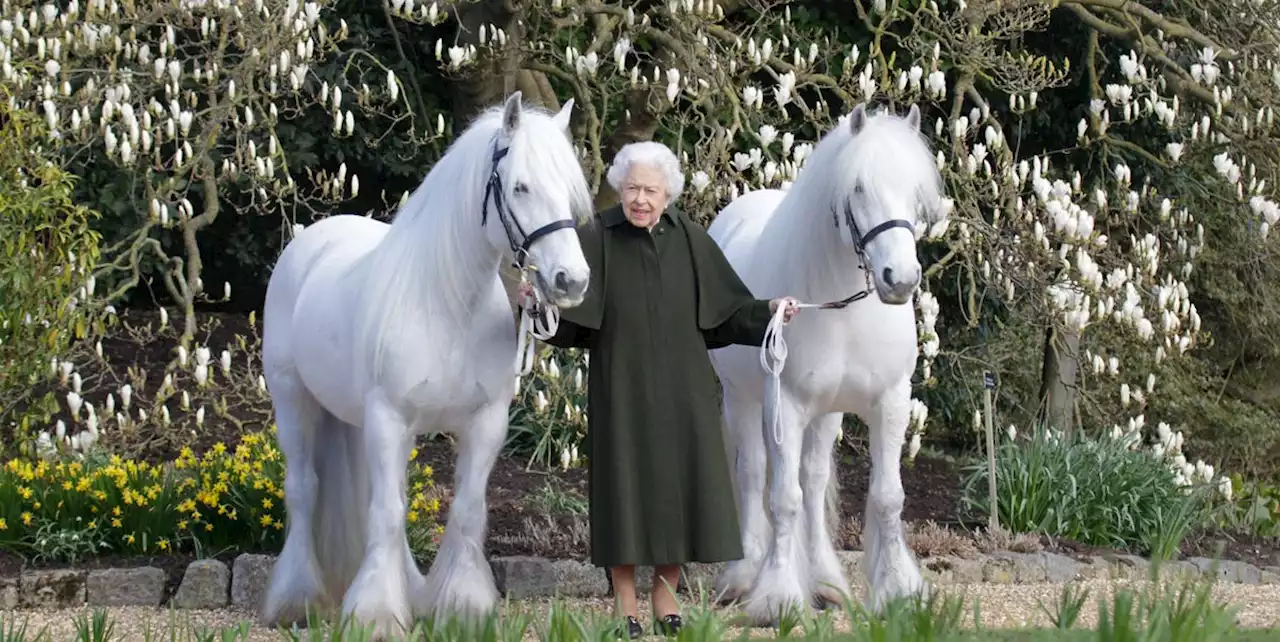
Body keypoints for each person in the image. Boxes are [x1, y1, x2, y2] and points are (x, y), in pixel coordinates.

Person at [518, 141, 799, 639]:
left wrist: (772, 309)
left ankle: (665, 591)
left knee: (680, 490)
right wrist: (537, 307)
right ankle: (625, 597)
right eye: (631, 189)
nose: (640, 199)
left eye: (650, 189)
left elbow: (728, 312)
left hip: (684, 389)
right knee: (623, 490)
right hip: (620, 386)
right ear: (618, 191)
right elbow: (570, 325)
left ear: (668, 193)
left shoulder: (690, 238)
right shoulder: (597, 237)